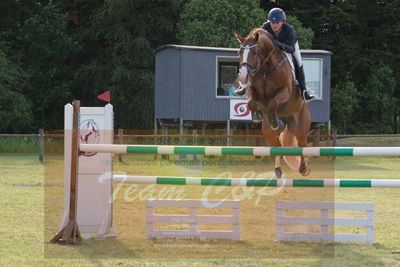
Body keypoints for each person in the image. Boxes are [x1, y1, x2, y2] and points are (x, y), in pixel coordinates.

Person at [235, 8, 315, 102]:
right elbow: (256, 38)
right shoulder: (265, 26)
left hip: (288, 47)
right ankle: (244, 86)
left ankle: (304, 90)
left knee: (299, 62)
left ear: (282, 22)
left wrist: (280, 44)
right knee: (255, 59)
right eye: (272, 22)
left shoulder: (289, 29)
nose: (274, 25)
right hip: (272, 50)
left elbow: (291, 49)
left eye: (277, 22)